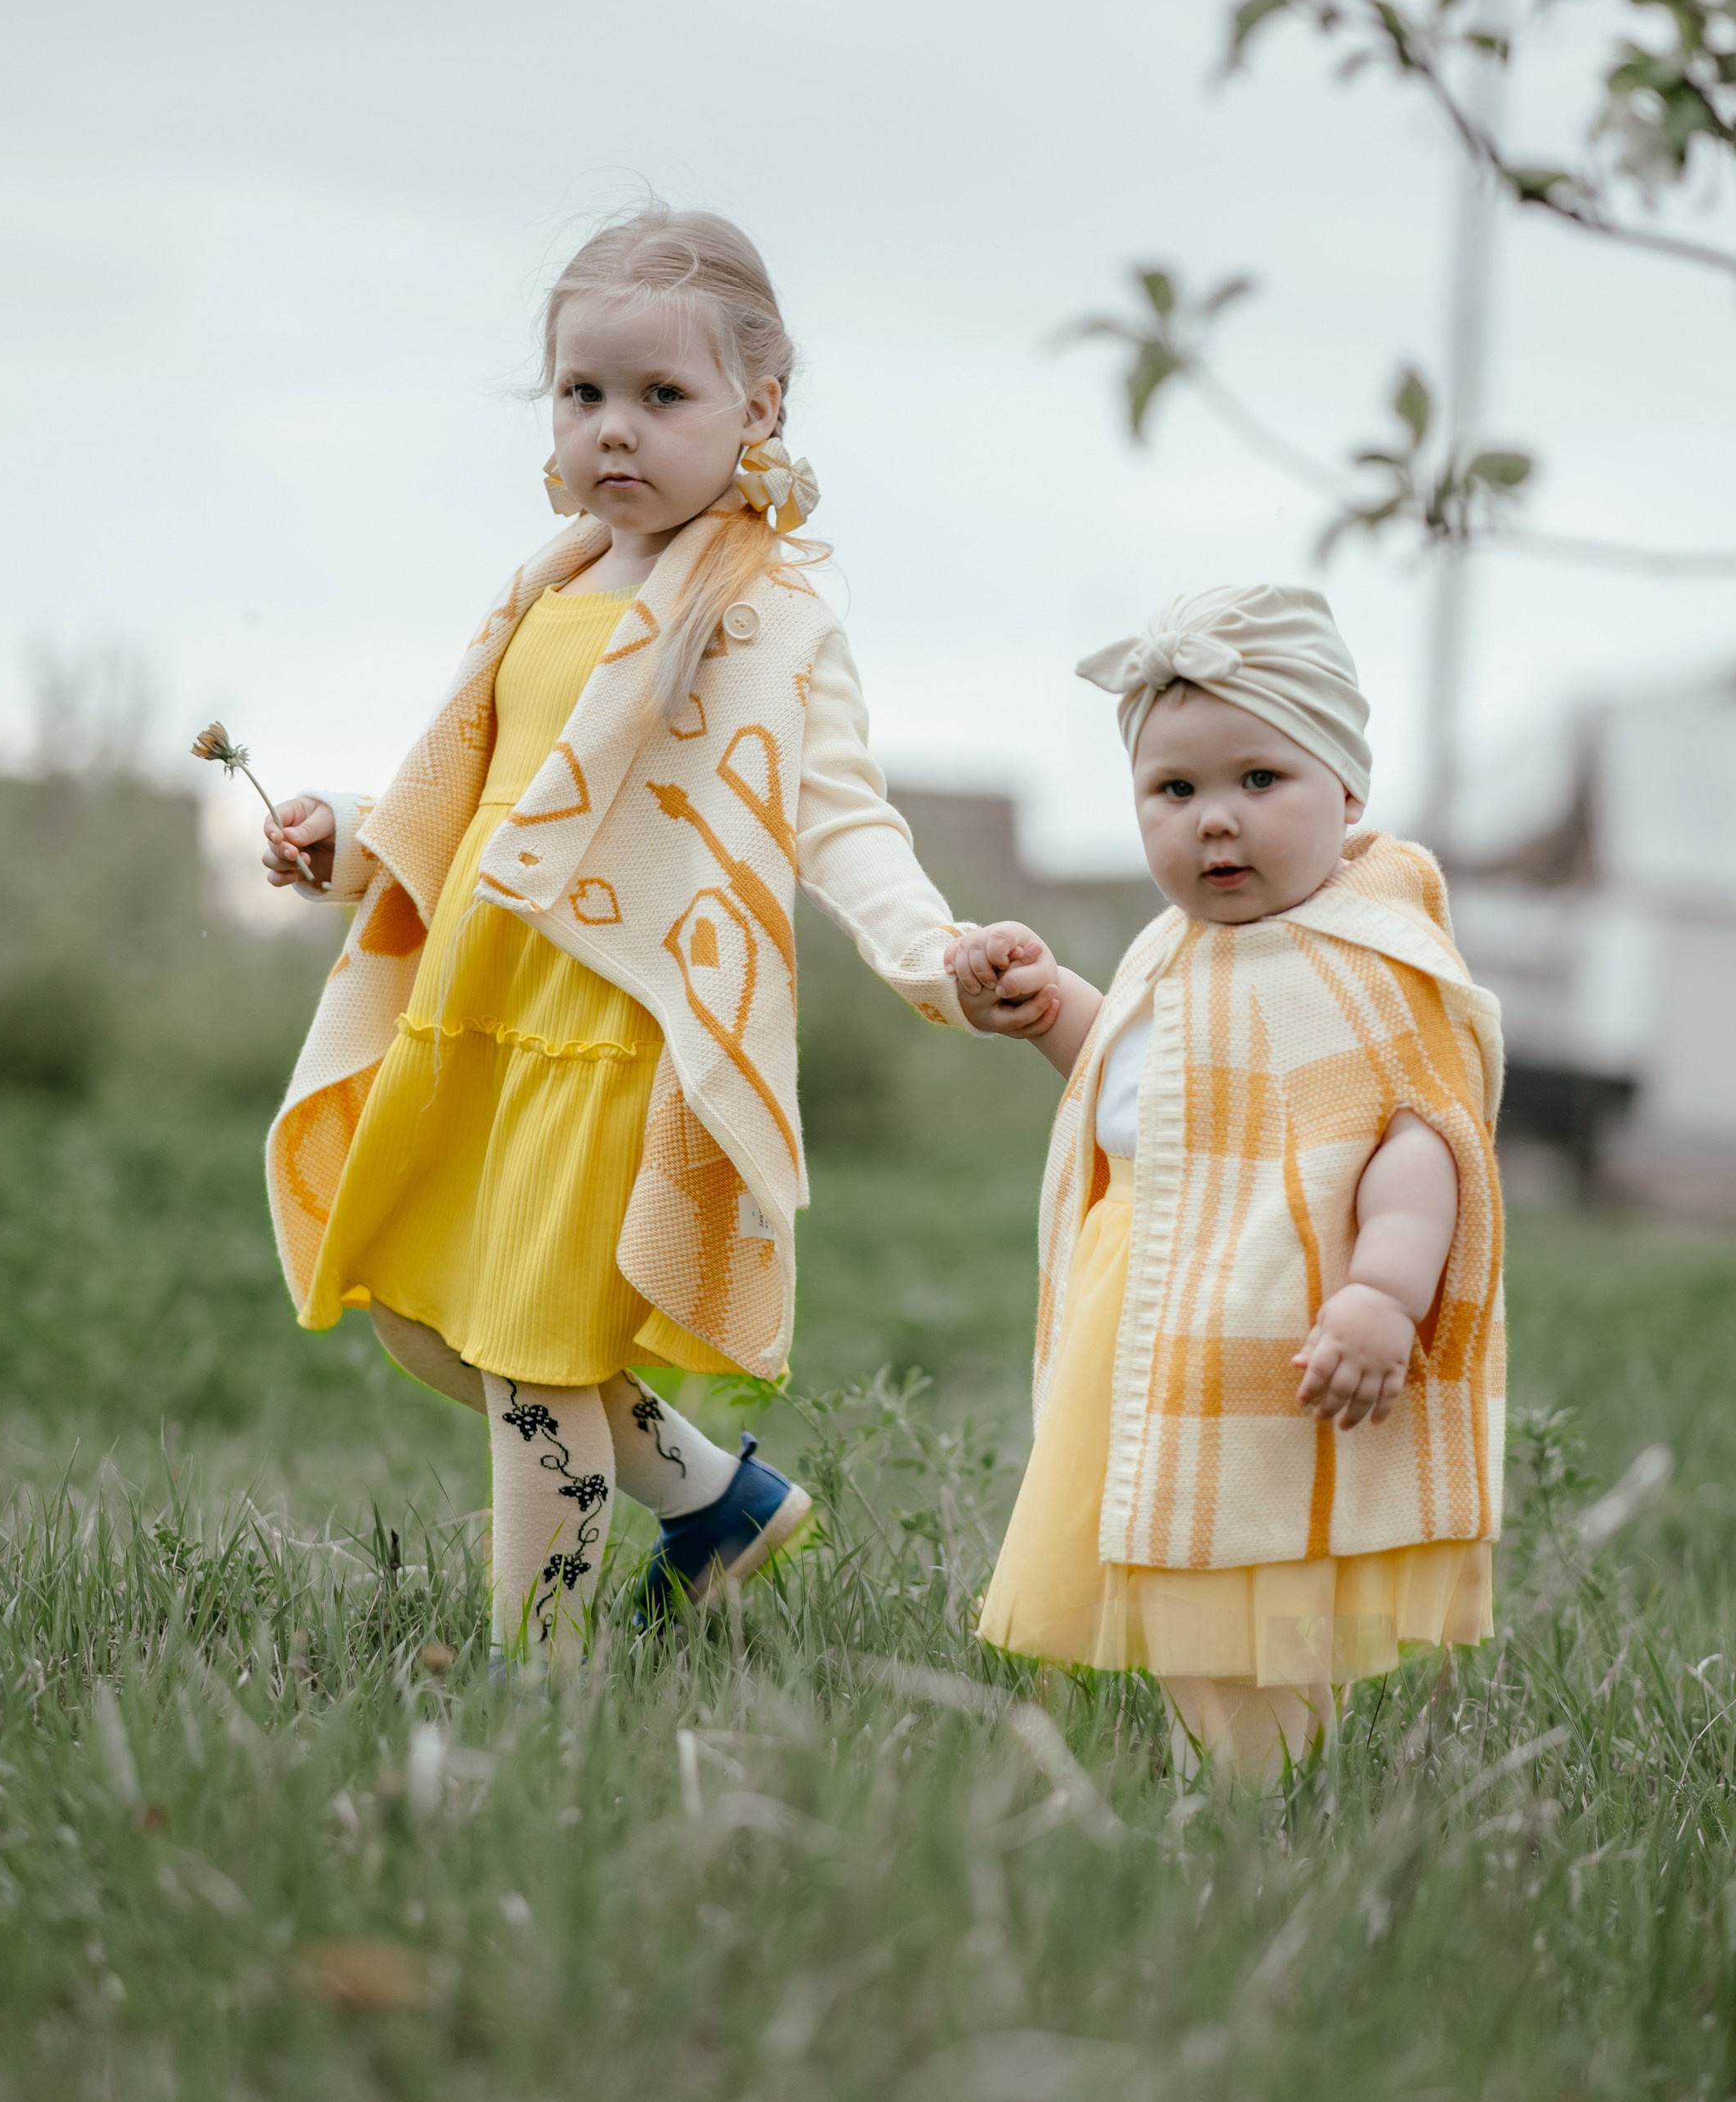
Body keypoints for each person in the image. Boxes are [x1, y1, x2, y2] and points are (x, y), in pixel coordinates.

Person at [261, 205, 1044, 1657]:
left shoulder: (768, 623)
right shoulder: (551, 582)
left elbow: (839, 818)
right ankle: (716, 1504)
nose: (614, 430)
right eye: (583, 394)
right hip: (480, 1007)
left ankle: (538, 1676)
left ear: (759, 410)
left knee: (537, 1355)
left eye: (660, 397)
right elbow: (485, 793)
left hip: (613, 1029)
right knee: (425, 1313)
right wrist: (350, 833)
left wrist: (938, 958)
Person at [951, 586, 1505, 1785]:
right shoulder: (1180, 949)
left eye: (1261, 782)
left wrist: (1383, 1295)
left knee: (1247, 1563)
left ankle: (1261, 1788)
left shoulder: (1358, 962)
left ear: (1348, 794)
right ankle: (1233, 1768)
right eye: (1176, 791)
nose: (1216, 822)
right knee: (1175, 1548)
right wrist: (1055, 1010)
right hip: (1154, 1302)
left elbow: (1423, 1141)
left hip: (1276, 1316)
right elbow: (1150, 1087)